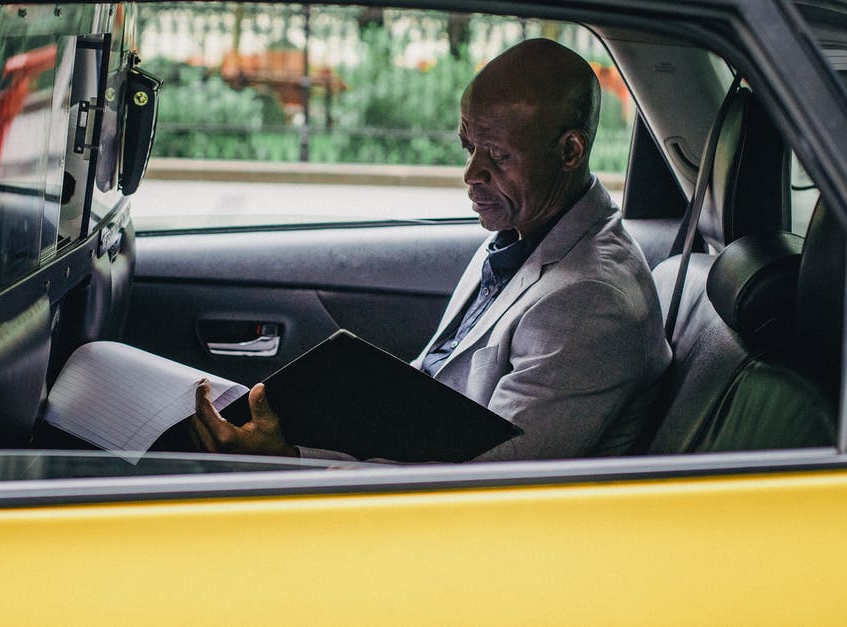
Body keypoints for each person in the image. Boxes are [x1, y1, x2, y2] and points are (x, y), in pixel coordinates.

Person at [191, 39, 671, 462]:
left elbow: (484, 485)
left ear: (570, 152)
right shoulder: (523, 236)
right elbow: (435, 388)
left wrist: (293, 459)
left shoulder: (590, 301)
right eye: (469, 149)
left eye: (498, 156)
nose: (472, 174)